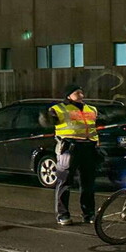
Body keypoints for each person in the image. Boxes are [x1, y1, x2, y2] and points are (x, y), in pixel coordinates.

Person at [39, 83, 99, 226]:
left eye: (82, 92)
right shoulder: (58, 109)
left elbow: (96, 125)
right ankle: (63, 215)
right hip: (69, 148)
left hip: (88, 148)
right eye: (78, 93)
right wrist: (45, 117)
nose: (81, 96)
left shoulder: (91, 109)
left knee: (88, 184)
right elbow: (47, 121)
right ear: (68, 95)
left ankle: (89, 214)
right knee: (65, 182)